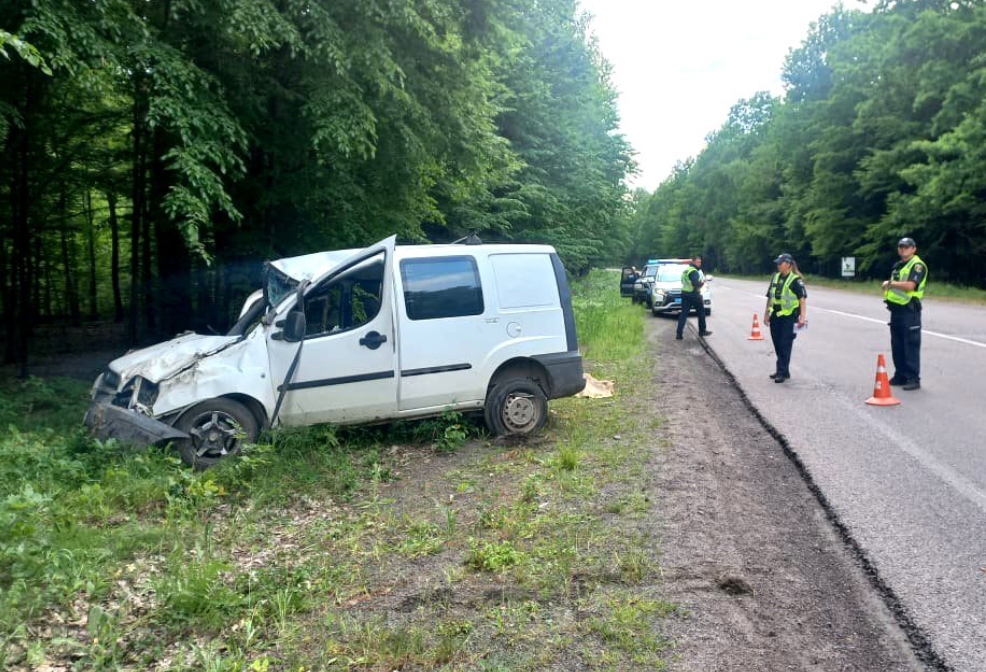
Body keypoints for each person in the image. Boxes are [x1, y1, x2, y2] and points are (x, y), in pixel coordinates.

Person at [882, 237, 927, 391]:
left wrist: (890, 283)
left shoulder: (917, 265)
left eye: (907, 247)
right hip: (896, 310)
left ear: (914, 249)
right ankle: (900, 375)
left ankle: (913, 378)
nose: (903, 249)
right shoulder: (899, 265)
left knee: (911, 345)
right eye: (901, 246)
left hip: (910, 310)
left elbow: (910, 285)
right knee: (897, 344)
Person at [763, 253, 807, 383]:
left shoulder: (795, 280)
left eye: (780, 263)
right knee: (777, 343)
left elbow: (802, 299)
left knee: (784, 344)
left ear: (787, 264)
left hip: (789, 317)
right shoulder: (775, 277)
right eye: (777, 263)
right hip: (775, 316)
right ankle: (784, 370)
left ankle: (781, 372)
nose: (778, 265)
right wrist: (766, 313)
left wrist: (802, 317)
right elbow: (770, 296)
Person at [676, 255, 712, 340]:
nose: (699, 264)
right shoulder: (694, 271)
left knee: (683, 314)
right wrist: (702, 283)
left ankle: (679, 333)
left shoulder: (686, 270)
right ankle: (702, 331)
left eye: (700, 262)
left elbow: (683, 281)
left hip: (685, 294)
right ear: (693, 262)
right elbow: (695, 283)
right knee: (701, 312)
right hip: (694, 294)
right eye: (698, 262)